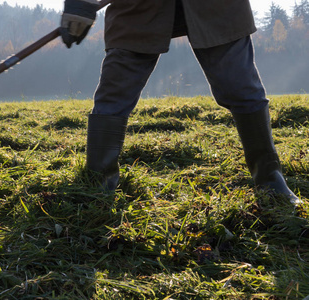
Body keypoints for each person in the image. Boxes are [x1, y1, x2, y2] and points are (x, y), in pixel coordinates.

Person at [60, 0, 301, 204]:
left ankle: (271, 181)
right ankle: (97, 187)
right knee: (114, 92)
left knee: (240, 85)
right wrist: (80, 3)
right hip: (138, 9)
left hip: (216, 8)